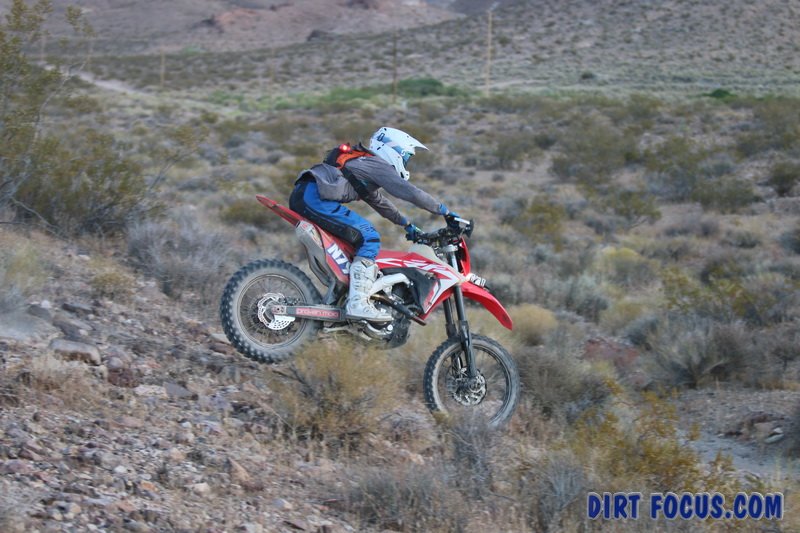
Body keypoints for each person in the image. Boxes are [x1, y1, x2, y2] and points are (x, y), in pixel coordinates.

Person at [289, 126, 459, 322]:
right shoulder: (377, 164)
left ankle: (339, 298)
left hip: (306, 194)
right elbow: (410, 192)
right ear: (393, 150)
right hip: (314, 197)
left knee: (352, 247)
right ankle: (358, 303)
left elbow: (379, 202)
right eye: (406, 157)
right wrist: (444, 211)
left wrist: (406, 224)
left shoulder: (364, 164)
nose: (406, 162)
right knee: (369, 237)